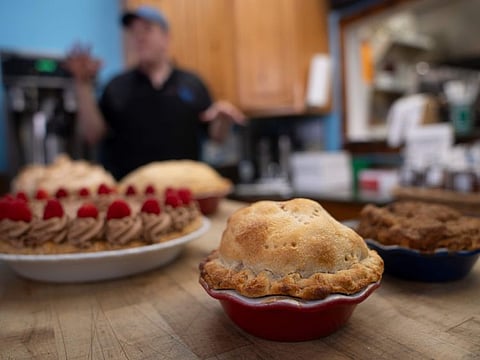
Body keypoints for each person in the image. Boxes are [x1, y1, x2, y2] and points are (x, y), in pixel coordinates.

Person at [65, 6, 246, 179]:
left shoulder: (193, 84)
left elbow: (216, 137)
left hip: (185, 193)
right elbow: (92, 135)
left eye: (147, 29)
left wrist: (222, 120)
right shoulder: (116, 86)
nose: (139, 37)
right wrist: (82, 85)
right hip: (131, 196)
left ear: (166, 38)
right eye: (134, 32)